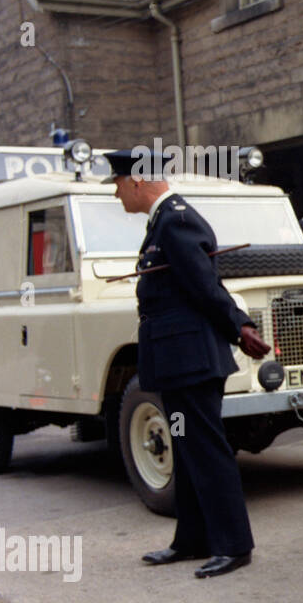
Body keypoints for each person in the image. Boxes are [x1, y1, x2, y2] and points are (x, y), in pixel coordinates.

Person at [105, 147, 271, 579]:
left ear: (137, 181)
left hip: (192, 362)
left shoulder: (176, 221)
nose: (117, 194)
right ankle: (193, 538)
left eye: (119, 184)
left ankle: (234, 545)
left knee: (206, 449)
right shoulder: (164, 221)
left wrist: (240, 327)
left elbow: (205, 287)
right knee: (185, 446)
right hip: (176, 363)